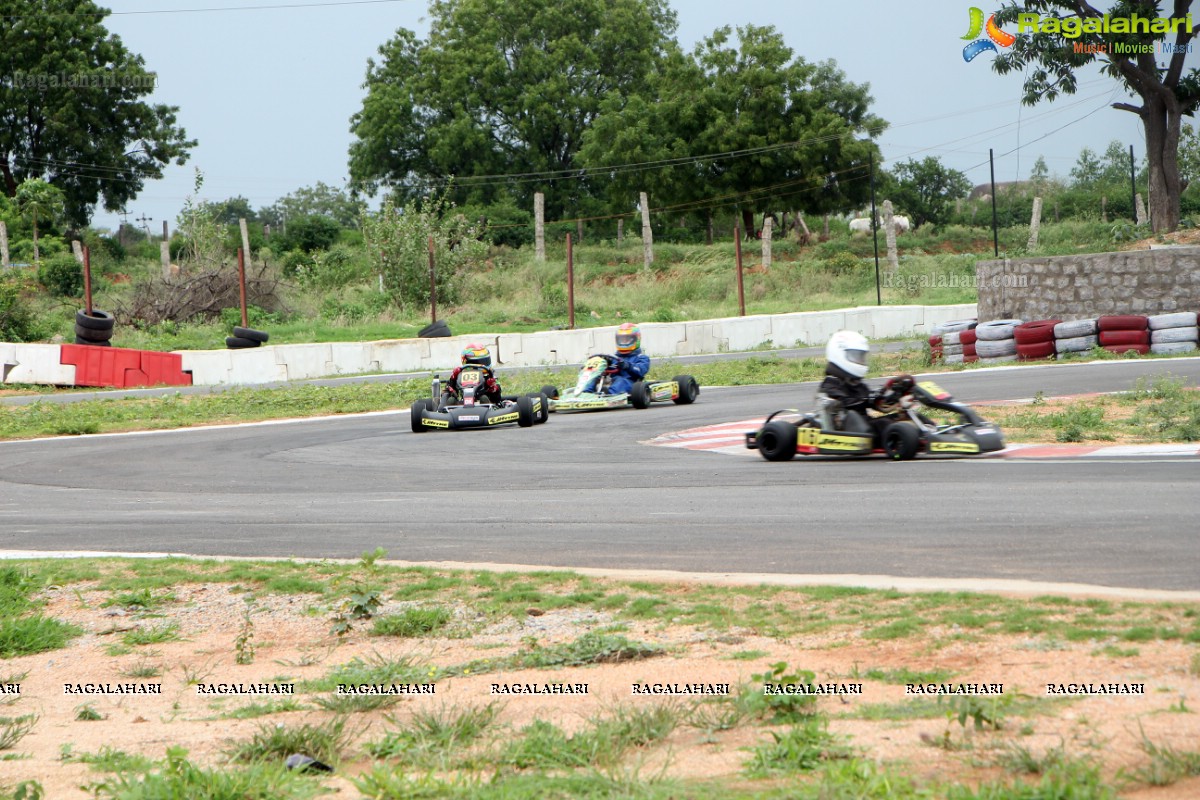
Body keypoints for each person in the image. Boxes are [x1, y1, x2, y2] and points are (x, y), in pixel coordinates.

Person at [818, 330, 914, 435]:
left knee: (906, 417)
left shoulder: (855, 384)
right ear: (839, 354)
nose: (860, 360)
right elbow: (846, 404)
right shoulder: (830, 385)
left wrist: (896, 394)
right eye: (856, 356)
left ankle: (931, 433)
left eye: (861, 357)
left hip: (865, 426)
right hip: (849, 432)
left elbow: (875, 402)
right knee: (884, 424)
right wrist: (869, 398)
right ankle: (908, 438)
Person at [594, 322, 650, 395]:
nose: (624, 342)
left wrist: (628, 366)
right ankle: (584, 392)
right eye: (622, 340)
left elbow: (640, 370)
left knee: (621, 380)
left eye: (627, 339)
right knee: (594, 378)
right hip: (612, 381)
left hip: (631, 383)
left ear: (636, 339)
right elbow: (608, 371)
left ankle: (609, 395)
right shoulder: (614, 357)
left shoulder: (642, 357)